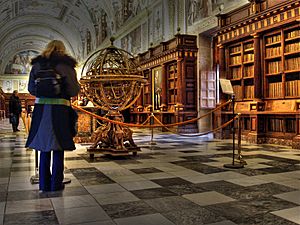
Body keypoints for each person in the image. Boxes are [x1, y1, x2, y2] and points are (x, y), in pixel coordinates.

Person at [25, 40, 80, 192]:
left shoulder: (37, 65)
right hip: (60, 110)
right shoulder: (66, 65)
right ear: (62, 50)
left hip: (41, 110)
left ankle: (44, 184)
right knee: (58, 147)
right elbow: (74, 90)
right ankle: (56, 183)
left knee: (43, 148)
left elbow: (31, 89)